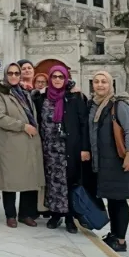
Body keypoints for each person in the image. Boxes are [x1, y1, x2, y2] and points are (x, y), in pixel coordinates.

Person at [31, 66, 89, 234]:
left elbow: (83, 123)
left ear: (65, 79)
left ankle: (70, 217)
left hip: (68, 147)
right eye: (54, 76)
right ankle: (56, 214)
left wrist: (84, 148)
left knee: (69, 181)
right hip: (49, 148)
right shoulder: (42, 97)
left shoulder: (74, 96)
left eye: (60, 77)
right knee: (53, 182)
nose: (57, 80)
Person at [88, 71, 129, 252]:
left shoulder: (119, 106)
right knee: (112, 199)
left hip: (118, 160)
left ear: (111, 85)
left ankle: (121, 240)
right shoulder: (92, 105)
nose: (100, 85)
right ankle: (114, 234)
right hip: (102, 162)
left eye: (104, 82)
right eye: (96, 82)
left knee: (119, 201)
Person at [0, 63, 45, 228]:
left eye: (16, 73)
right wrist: (23, 126)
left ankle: (25, 214)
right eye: (10, 73)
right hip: (11, 142)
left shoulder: (24, 92)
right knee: (10, 180)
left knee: (30, 178)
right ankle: (10, 215)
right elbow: (0, 117)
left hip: (29, 141)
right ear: (6, 74)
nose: (14, 76)